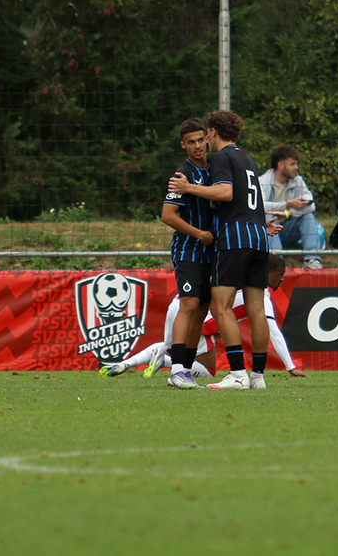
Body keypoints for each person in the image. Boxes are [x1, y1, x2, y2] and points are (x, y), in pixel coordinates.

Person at [168, 109, 271, 390]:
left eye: (204, 137)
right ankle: (258, 376)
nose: (202, 144)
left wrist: (189, 188)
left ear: (212, 133)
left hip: (234, 239)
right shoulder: (248, 159)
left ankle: (237, 373)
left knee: (219, 306)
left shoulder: (221, 158)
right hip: (258, 237)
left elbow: (226, 193)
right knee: (257, 310)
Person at [100, 256, 308, 379]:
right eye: (280, 274)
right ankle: (166, 361)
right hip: (200, 319)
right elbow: (273, 333)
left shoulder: (235, 273)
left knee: (171, 345)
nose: (282, 279)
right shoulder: (259, 294)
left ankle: (124, 364)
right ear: (265, 273)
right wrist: (290, 367)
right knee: (208, 370)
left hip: (179, 305)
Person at [159, 118, 214, 389]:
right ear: (183, 145)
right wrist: (199, 234)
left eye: (200, 140)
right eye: (191, 142)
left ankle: (186, 369)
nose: (197, 146)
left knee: (202, 309)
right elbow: (167, 215)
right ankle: (177, 369)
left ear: (207, 139)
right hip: (189, 249)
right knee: (189, 304)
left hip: (212, 251)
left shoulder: (217, 169)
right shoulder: (182, 175)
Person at [260, 146, 323, 269]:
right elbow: (260, 206)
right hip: (268, 232)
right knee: (268, 217)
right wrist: (287, 204)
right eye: (292, 164)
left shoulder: (298, 180)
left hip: (289, 228)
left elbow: (311, 205)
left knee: (308, 216)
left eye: (296, 164)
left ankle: (313, 260)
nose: (296, 168)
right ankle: (277, 260)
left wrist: (289, 213)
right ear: (280, 165)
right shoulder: (262, 181)